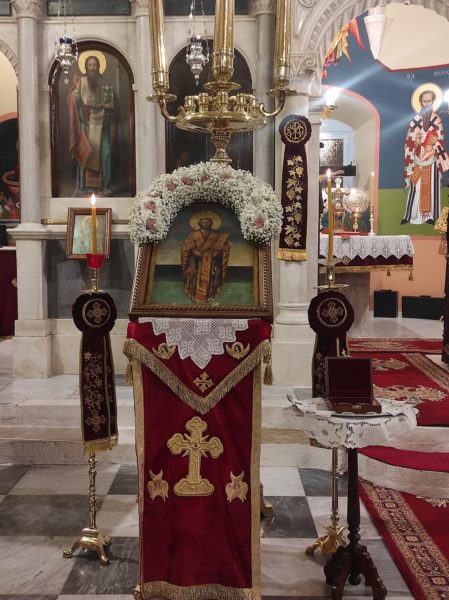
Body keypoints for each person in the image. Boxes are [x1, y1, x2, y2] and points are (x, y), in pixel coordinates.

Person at [68, 54, 118, 196]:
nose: (92, 68)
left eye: (94, 65)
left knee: (106, 154)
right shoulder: (81, 82)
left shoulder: (105, 82)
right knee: (86, 154)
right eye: (89, 65)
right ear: (85, 67)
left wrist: (109, 104)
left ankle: (105, 185)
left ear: (99, 66)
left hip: (103, 124)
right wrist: (77, 91)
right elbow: (74, 100)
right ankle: (85, 186)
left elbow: (113, 103)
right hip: (86, 123)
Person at [402, 89, 449, 225]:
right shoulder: (415, 121)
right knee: (415, 185)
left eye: (429, 101)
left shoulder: (437, 121)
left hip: (431, 161)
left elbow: (440, 141)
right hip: (417, 160)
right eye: (424, 101)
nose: (427, 104)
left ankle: (430, 216)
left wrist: (433, 147)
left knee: (430, 187)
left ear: (433, 102)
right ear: (420, 102)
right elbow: (409, 142)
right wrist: (416, 142)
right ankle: (411, 215)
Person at [181, 213, 231, 303]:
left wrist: (219, 251)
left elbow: (222, 246)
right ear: (200, 223)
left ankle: (209, 295)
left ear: (211, 223)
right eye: (203, 222)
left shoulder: (216, 235)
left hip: (212, 261)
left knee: (211, 277)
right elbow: (186, 246)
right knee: (194, 278)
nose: (205, 224)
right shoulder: (193, 234)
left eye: (208, 222)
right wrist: (196, 252)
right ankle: (194, 295)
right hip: (196, 261)